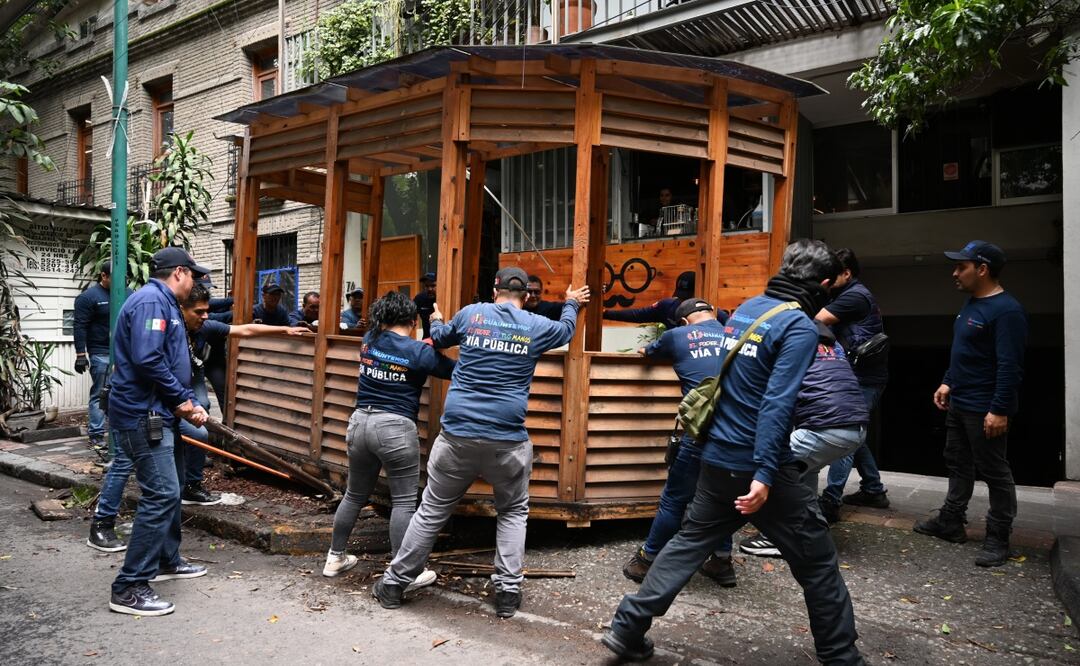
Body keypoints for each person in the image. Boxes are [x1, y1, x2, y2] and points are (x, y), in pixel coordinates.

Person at [602, 240, 863, 665]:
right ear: (826, 283)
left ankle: (627, 628)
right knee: (818, 564)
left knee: (689, 541)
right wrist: (764, 472)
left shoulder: (745, 309)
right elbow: (778, 402)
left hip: (716, 455)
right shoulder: (797, 326)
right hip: (759, 466)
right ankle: (842, 657)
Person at [373, 267, 590, 618]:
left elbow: (441, 338)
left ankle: (394, 584)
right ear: (526, 297)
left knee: (431, 510)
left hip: (457, 433)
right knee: (513, 511)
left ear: (494, 290)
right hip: (507, 438)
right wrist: (570, 302)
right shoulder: (535, 325)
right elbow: (566, 330)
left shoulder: (472, 314)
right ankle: (507, 593)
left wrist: (436, 318)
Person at [105, 247, 211, 617]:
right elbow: (148, 358)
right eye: (194, 276)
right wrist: (182, 398)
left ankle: (167, 559)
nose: (197, 282)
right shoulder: (152, 302)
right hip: (143, 415)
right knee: (162, 492)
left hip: (159, 413)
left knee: (173, 486)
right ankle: (130, 585)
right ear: (179, 272)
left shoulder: (163, 303)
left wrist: (179, 403)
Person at [322, 291, 455, 587]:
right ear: (411, 320)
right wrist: (437, 325)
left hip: (359, 423)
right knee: (404, 502)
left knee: (355, 495)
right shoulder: (418, 352)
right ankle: (404, 572)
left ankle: (335, 557)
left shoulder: (369, 340)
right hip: (395, 427)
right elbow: (452, 370)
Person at [914, 241, 1026, 568]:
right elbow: (963, 350)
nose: (954, 272)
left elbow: (1010, 366)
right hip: (960, 401)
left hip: (985, 407)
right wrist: (948, 380)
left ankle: (998, 536)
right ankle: (951, 522)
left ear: (982, 269)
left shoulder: (1007, 311)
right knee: (957, 462)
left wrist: (1000, 409)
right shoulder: (971, 304)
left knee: (995, 471)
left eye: (961, 266)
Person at [621, 298, 737, 588]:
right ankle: (722, 562)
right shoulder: (736, 336)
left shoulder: (676, 336)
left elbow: (648, 352)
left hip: (700, 432)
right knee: (720, 498)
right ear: (714, 315)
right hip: (736, 434)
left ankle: (645, 562)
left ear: (684, 322)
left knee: (674, 498)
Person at [738, 321, 870, 558]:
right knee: (804, 472)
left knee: (770, 468)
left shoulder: (795, 349)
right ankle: (812, 530)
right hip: (855, 429)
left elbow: (776, 398)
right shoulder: (833, 349)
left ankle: (778, 538)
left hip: (826, 429)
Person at [178, 281, 308, 505]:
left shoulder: (205, 327)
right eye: (199, 312)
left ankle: (191, 484)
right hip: (167, 388)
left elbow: (245, 329)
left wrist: (285, 329)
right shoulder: (169, 329)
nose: (205, 316)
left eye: (207, 312)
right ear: (182, 310)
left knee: (200, 425)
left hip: (191, 376)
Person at [819, 248, 890, 523]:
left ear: (846, 273)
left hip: (863, 378)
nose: (824, 280)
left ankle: (831, 500)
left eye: (829, 274)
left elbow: (814, 322)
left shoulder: (853, 296)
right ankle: (873, 489)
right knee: (854, 435)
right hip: (862, 376)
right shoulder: (847, 293)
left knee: (845, 433)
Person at [73, 264, 124, 457]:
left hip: (122, 353)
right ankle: (96, 435)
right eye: (116, 277)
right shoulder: (89, 297)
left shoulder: (127, 292)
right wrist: (80, 355)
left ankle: (117, 433)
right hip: (100, 352)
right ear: (104, 275)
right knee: (100, 393)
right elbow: (80, 326)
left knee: (119, 393)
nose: (121, 281)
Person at [603, 271, 708, 331]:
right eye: (681, 297)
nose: (683, 302)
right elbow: (637, 315)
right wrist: (605, 314)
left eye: (687, 298)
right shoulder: (668, 306)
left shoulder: (710, 312)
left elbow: (725, 326)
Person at [414, 273, 437, 338]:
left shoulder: (446, 298)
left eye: (433, 286)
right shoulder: (420, 298)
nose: (429, 289)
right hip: (427, 338)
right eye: (427, 286)